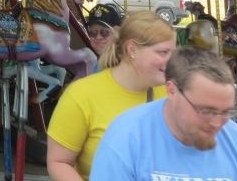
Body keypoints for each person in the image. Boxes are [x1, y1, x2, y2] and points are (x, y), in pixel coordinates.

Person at [89, 46, 237, 181]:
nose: (217, 123)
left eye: (226, 112)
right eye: (206, 111)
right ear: (172, 91)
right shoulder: (125, 140)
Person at [47, 11, 175, 181]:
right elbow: (59, 161)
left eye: (173, 53)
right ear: (132, 49)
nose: (171, 60)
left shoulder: (172, 93)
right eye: (163, 52)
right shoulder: (81, 95)